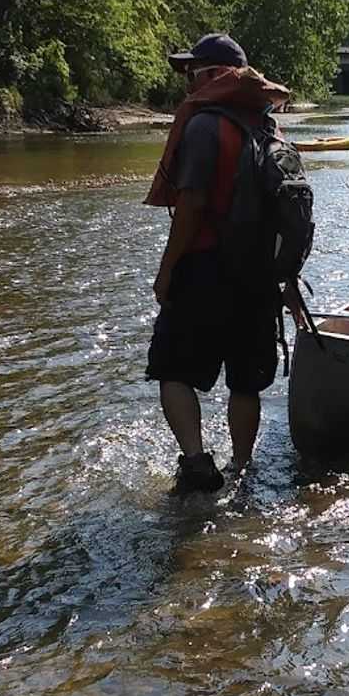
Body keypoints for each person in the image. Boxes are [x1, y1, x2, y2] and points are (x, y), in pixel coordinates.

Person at [143, 33, 294, 495]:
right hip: (258, 277)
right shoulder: (269, 129)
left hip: (206, 270)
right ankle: (241, 469)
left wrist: (166, 270)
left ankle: (196, 463)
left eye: (192, 73)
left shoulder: (205, 127)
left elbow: (191, 206)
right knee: (245, 382)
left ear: (211, 75)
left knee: (171, 369)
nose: (187, 84)